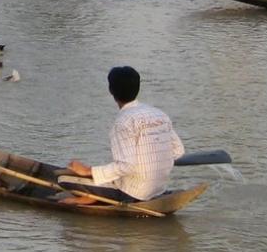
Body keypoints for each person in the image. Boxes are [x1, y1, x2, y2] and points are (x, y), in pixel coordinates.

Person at [57, 66, 183, 205]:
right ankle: (96, 194)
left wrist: (87, 170)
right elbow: (178, 151)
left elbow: (126, 166)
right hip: (158, 188)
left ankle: (92, 197)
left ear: (111, 91)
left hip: (133, 193)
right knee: (110, 174)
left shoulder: (123, 121)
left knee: (63, 179)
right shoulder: (159, 114)